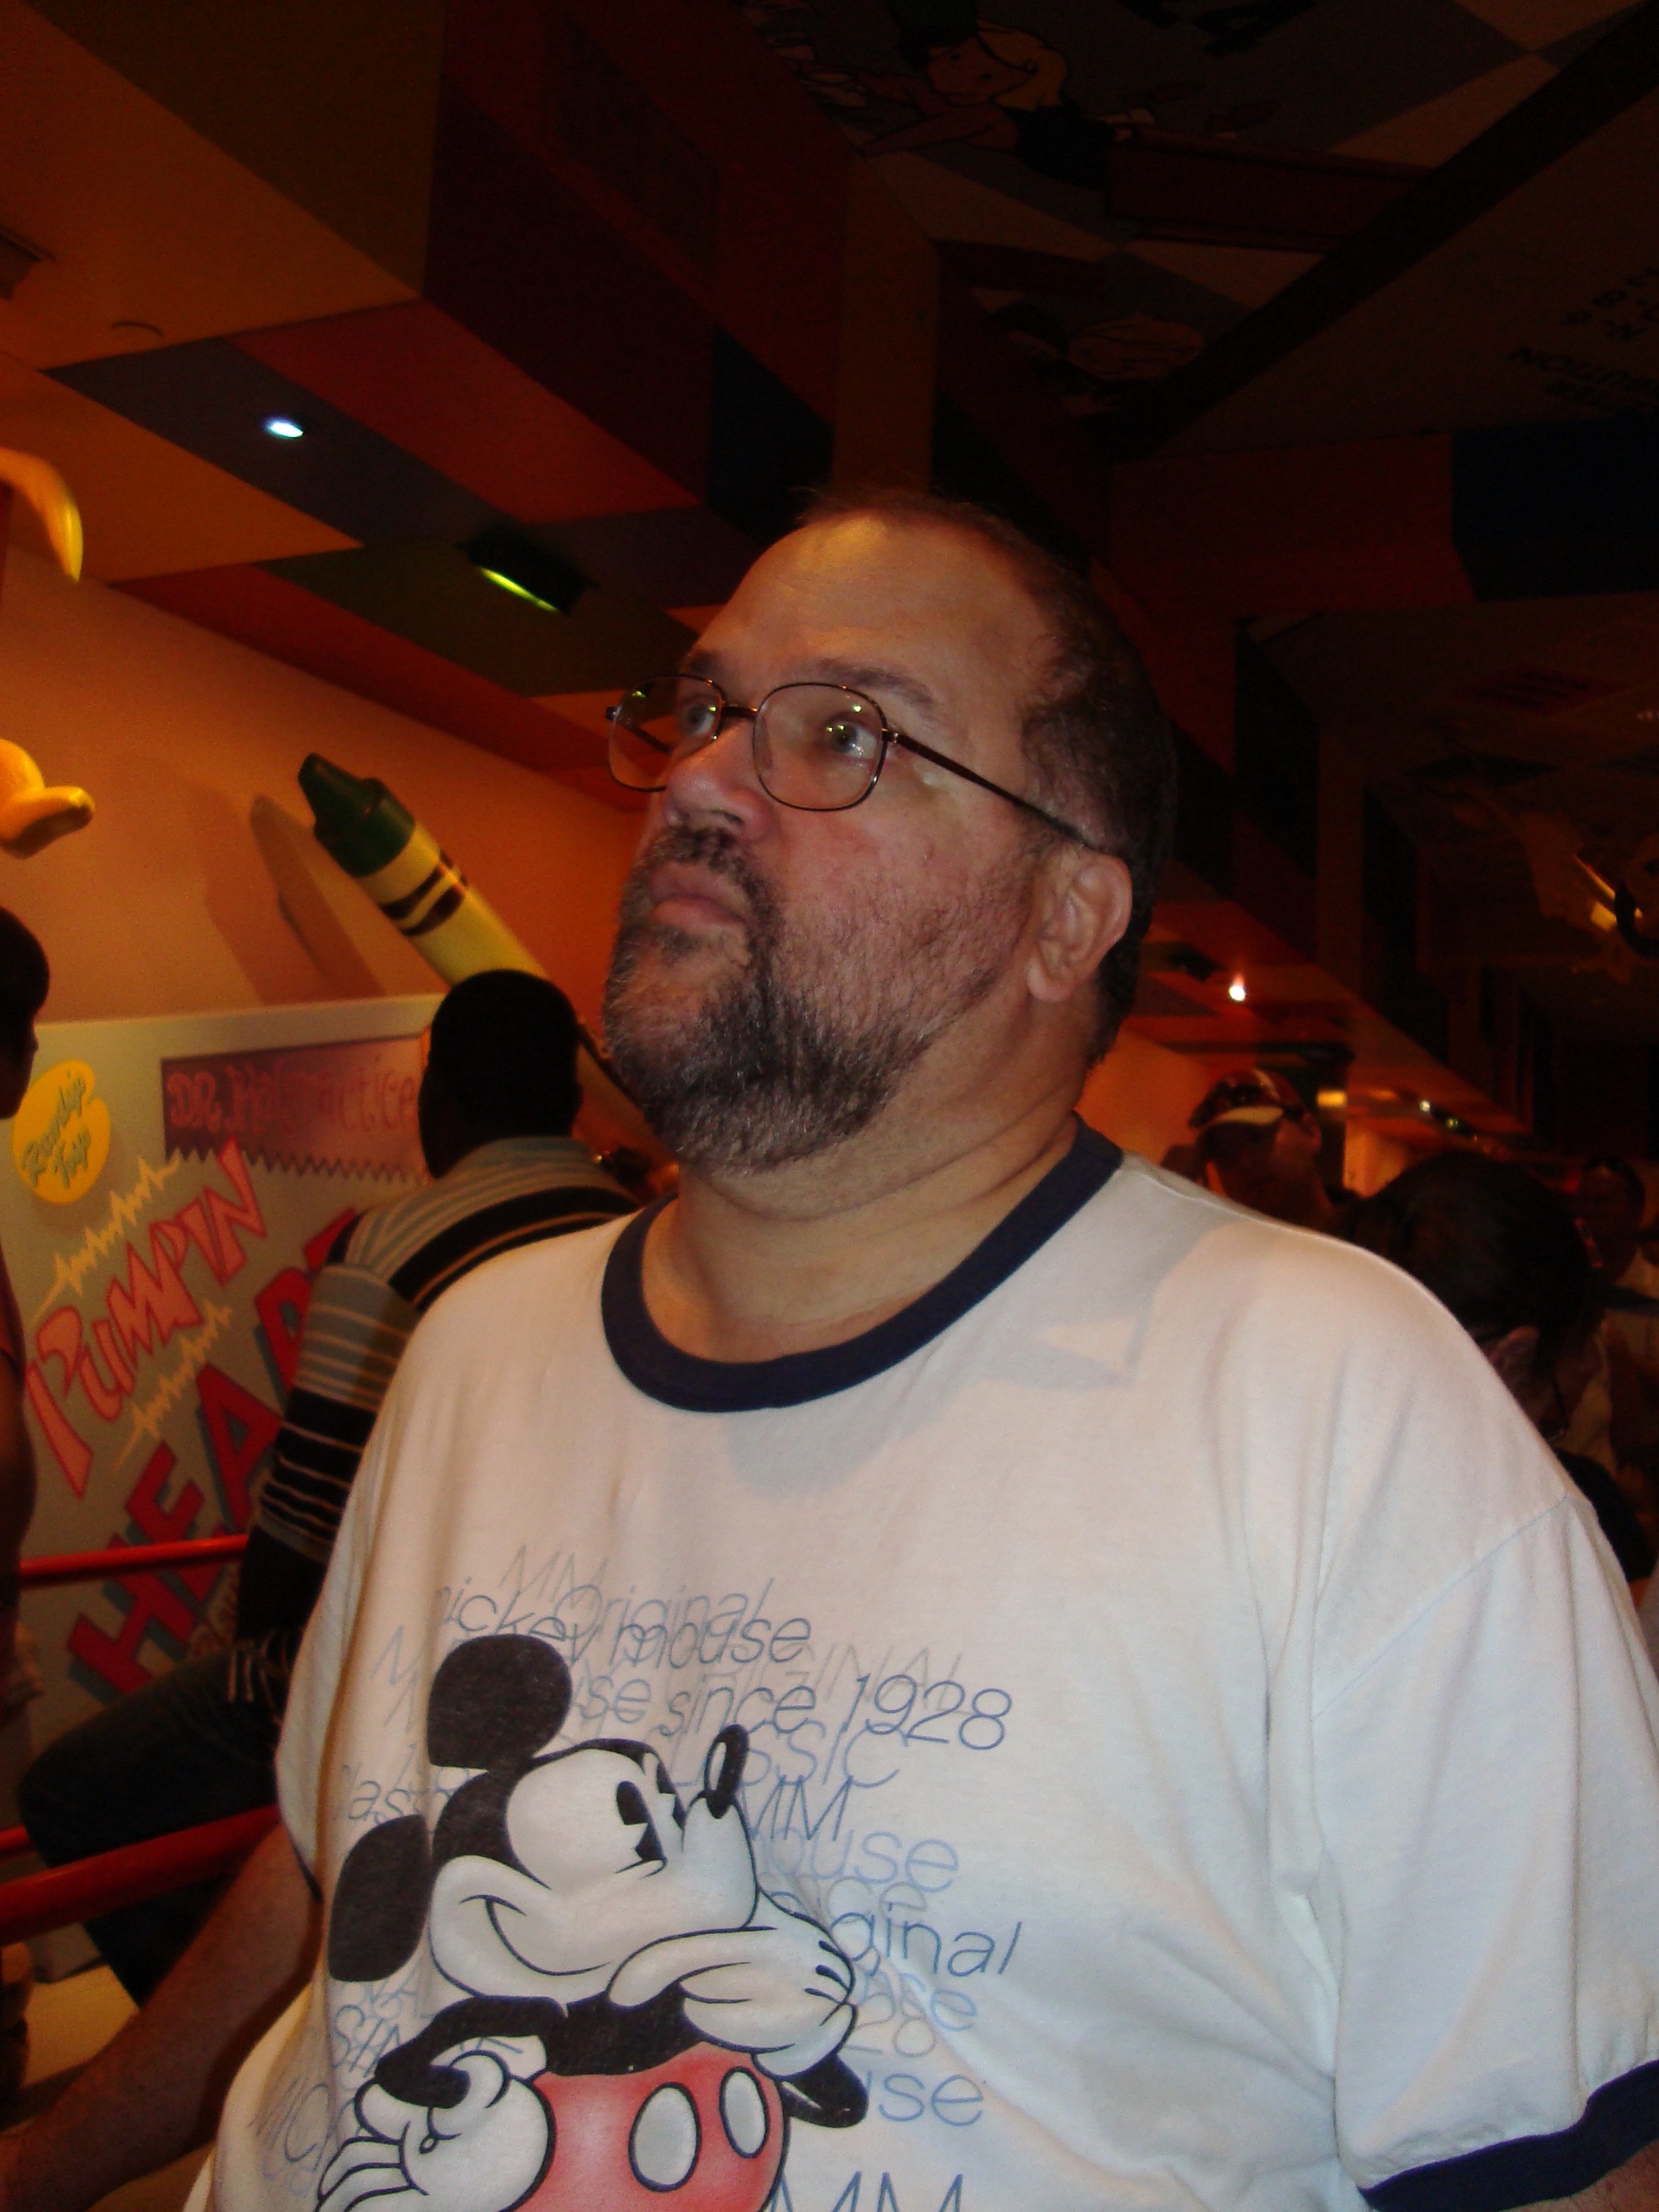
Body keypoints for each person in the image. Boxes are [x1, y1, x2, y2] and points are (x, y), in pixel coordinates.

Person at [9, 493, 1659, 2212]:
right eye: (705, 707)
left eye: (848, 732)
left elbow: (1567, 2170)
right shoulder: (480, 1342)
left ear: (1066, 914)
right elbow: (342, 1873)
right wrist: (45, 2162)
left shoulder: (1336, 1405)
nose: (698, 781)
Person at [14, 970, 633, 2003]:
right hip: (577, 1657)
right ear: (571, 1098)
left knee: (69, 1793)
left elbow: (303, 1516)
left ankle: (245, 2032)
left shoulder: (393, 1245)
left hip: (403, 1676)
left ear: (438, 1096)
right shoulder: (635, 1228)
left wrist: (261, 1670)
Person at [1345, 1149, 1655, 1584]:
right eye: (1583, 1338)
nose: (1590, 1365)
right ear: (1513, 1358)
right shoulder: (1541, 1523)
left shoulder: (1318, 1478)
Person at [1185, 1064, 1341, 1230]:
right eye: (1226, 1153)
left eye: (1257, 1138)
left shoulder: (1360, 1236)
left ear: (1310, 1132)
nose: (1244, 1163)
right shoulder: (1221, 1244)